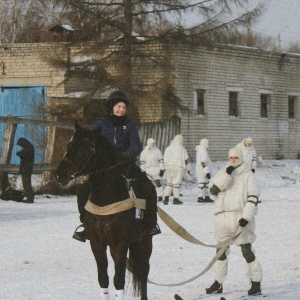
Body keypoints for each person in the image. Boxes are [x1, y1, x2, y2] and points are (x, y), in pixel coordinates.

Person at [74, 90, 161, 242]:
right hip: (104, 168)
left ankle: (151, 223)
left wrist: (128, 153)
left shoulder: (129, 125)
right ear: (111, 107)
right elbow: (92, 143)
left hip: (125, 164)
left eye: (123, 107)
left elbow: (136, 144)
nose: (121, 110)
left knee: (148, 187)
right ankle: (85, 226)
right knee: (83, 191)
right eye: (118, 106)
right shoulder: (101, 124)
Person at [206, 147, 262, 296]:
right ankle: (218, 283)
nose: (232, 160)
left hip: (240, 217)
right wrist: (226, 175)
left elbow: (253, 197)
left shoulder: (248, 174)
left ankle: (256, 283)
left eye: (235, 158)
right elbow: (213, 190)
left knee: (247, 251)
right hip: (223, 217)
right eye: (230, 157)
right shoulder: (223, 171)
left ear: (241, 158)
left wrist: (246, 216)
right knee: (220, 252)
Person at [163, 134, 189, 205]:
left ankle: (166, 198)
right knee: (176, 184)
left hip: (169, 167)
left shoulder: (168, 148)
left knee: (169, 184)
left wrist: (165, 168)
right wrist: (187, 170)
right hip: (178, 167)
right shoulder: (182, 148)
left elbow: (164, 159)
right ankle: (175, 199)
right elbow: (186, 160)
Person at [140, 138, 165, 202]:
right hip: (148, 170)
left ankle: (159, 196)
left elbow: (161, 161)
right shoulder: (144, 152)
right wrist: (143, 171)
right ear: (148, 143)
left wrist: (162, 169)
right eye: (152, 143)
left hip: (156, 170)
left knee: (158, 183)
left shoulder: (158, 151)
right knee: (148, 184)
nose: (153, 144)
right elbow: (143, 162)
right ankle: (149, 196)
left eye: (154, 143)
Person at [16, 138, 35, 204]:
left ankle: (30, 198)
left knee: (26, 183)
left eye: (21, 144)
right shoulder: (29, 147)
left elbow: (21, 154)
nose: (21, 146)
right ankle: (29, 197)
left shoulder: (28, 148)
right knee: (26, 183)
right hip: (27, 168)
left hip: (26, 169)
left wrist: (18, 153)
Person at [195, 138, 213, 203]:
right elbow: (203, 162)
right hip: (202, 171)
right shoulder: (203, 151)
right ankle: (200, 197)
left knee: (205, 183)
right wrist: (207, 171)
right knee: (202, 184)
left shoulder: (202, 150)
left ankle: (206, 196)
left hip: (201, 170)